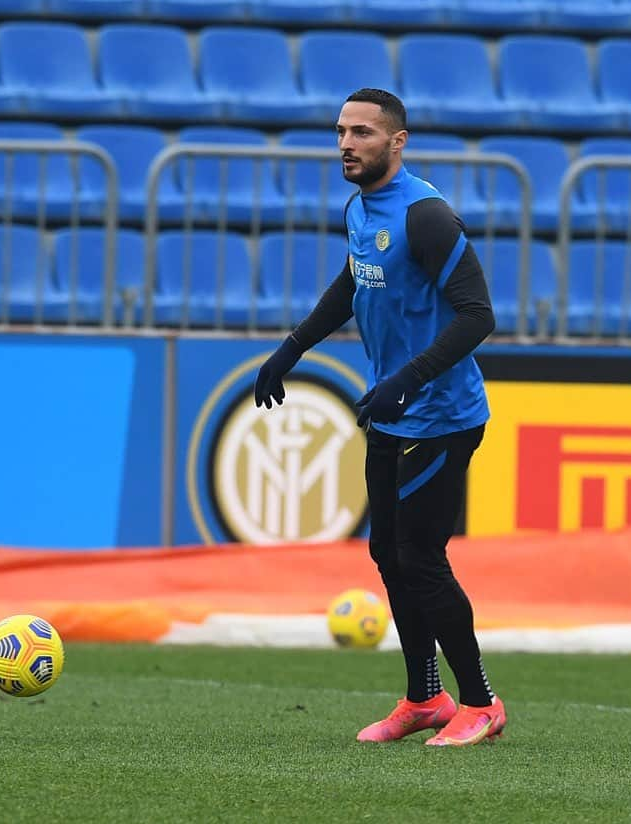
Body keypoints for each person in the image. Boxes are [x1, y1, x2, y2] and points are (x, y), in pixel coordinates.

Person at [254, 88, 506, 747]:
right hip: (393, 414)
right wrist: (291, 349)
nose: (346, 143)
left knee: (420, 558)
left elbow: (479, 315)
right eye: (341, 131)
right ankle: (424, 697)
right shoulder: (360, 208)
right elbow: (352, 280)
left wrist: (405, 380)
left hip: (442, 417)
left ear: (397, 141)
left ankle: (480, 703)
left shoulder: (426, 217)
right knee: (388, 557)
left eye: (362, 132)